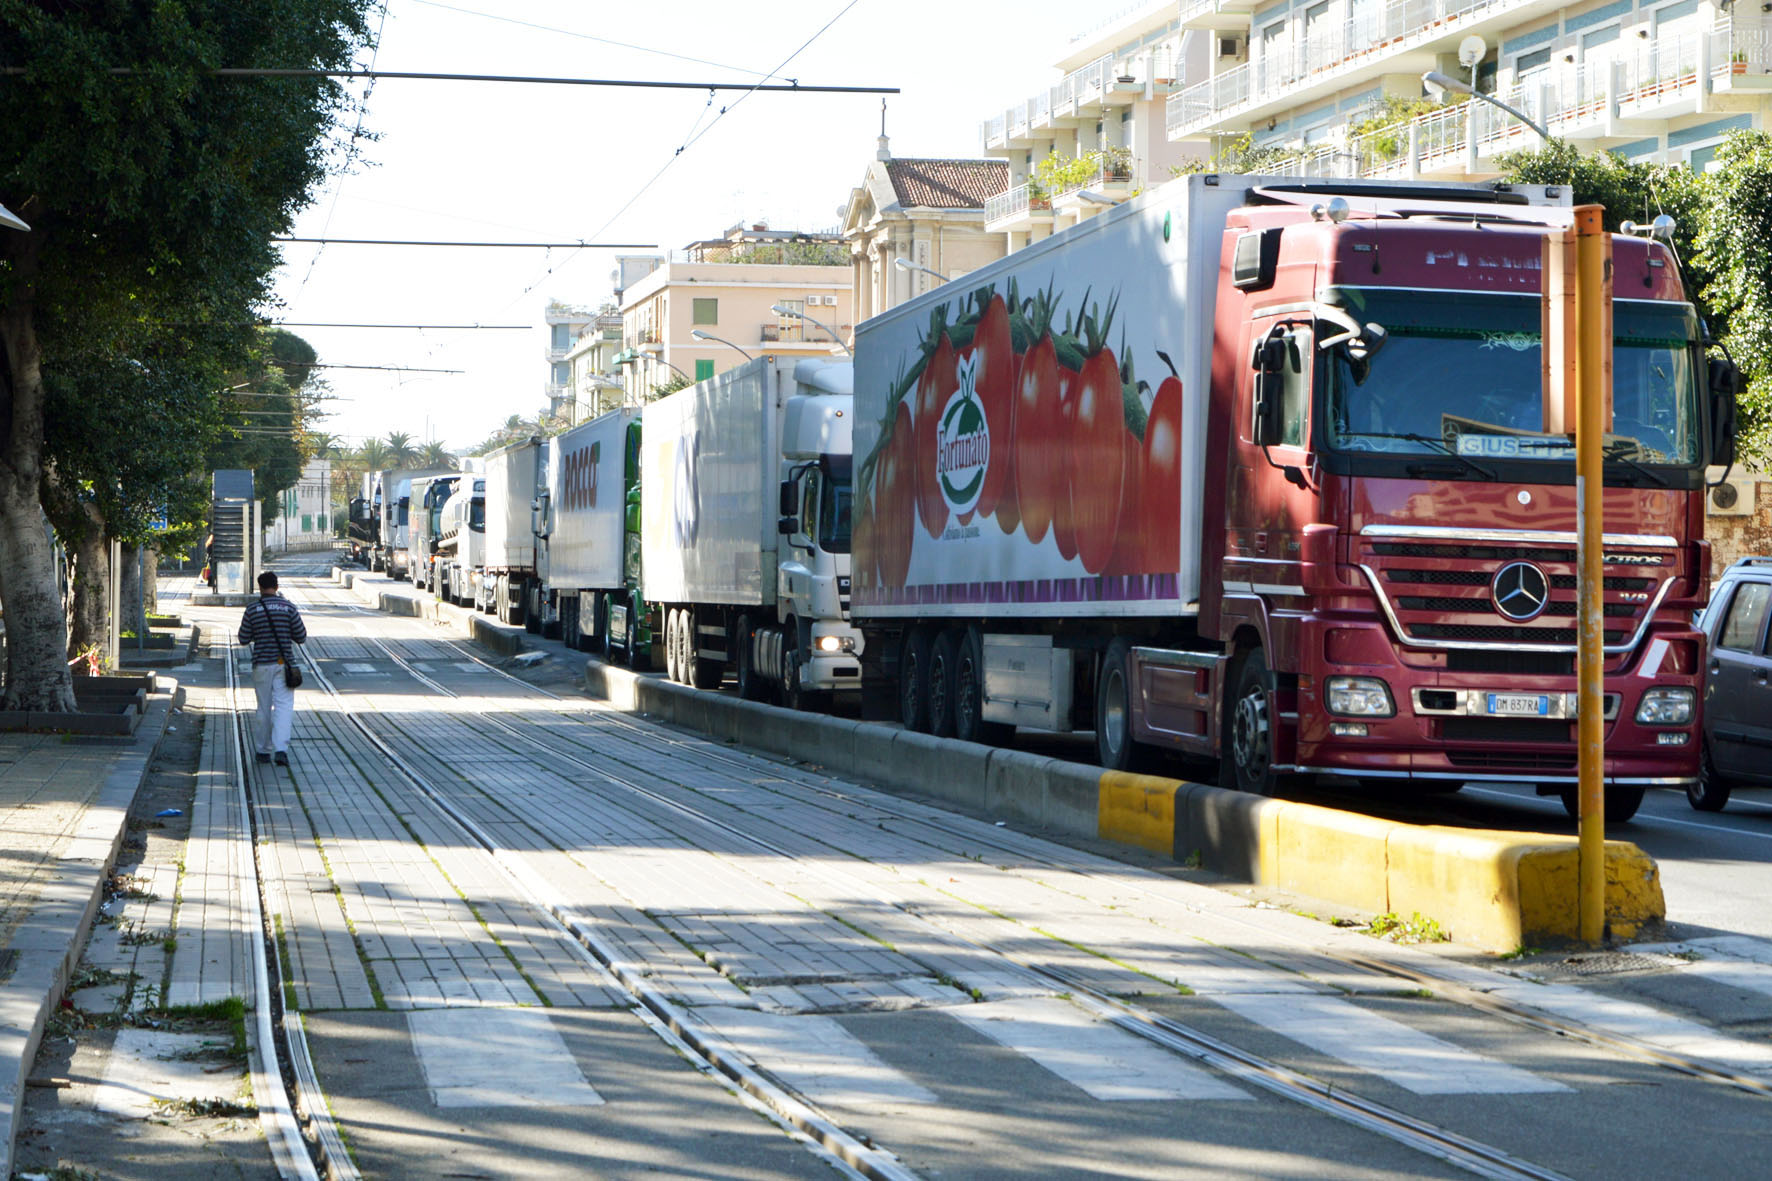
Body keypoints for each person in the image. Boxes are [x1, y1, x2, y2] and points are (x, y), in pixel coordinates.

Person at [237, 571, 307, 766]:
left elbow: (243, 638)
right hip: (284, 665)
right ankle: (281, 750)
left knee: (264, 707)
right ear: (277, 587)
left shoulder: (252, 609)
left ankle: (262, 750)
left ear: (259, 587)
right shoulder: (288, 608)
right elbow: (301, 636)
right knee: (284, 707)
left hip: (261, 664)